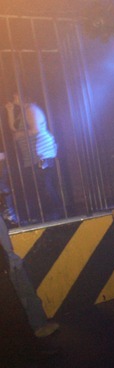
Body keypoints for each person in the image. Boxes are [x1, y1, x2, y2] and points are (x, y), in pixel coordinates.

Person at [5, 92, 62, 221]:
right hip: (33, 156)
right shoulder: (23, 112)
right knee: (39, 186)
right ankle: (47, 214)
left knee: (45, 185)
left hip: (42, 153)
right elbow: (14, 128)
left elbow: (35, 130)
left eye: (15, 95)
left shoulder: (31, 109)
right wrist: (10, 111)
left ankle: (55, 214)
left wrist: (20, 135)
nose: (14, 98)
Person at [0, 215, 59, 338]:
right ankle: (38, 327)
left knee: (26, 297)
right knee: (26, 297)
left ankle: (38, 326)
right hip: (10, 266)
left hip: (11, 264)